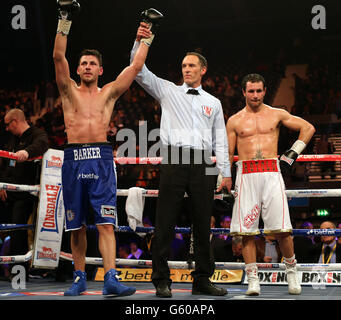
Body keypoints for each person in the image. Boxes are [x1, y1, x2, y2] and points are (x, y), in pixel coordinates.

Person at [53, 1, 153, 296]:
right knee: (76, 227)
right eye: (83, 63)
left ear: (100, 70)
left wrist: (146, 37)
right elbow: (59, 56)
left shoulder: (108, 93)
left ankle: (111, 278)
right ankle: (79, 277)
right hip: (73, 159)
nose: (86, 66)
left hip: (100, 160)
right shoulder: (68, 91)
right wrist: (64, 19)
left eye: (91, 63)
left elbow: (135, 67)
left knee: (106, 223)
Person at [130, 18, 232, 298]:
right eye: (184, 66)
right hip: (173, 160)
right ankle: (161, 280)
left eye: (191, 66)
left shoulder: (213, 102)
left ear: (203, 70)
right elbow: (139, 71)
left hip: (203, 164)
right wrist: (141, 40)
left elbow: (220, 140)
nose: (186, 69)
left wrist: (225, 174)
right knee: (165, 223)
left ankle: (202, 280)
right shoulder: (168, 90)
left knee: (203, 223)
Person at [226, 73, 315, 296]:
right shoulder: (234, 120)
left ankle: (292, 273)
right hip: (245, 174)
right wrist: (223, 178)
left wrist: (291, 154)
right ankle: (253, 280)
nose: (255, 95)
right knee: (246, 232)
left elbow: (309, 128)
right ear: (244, 92)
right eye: (251, 91)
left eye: (258, 91)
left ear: (264, 91)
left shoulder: (277, 114)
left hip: (271, 172)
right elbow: (228, 153)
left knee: (282, 230)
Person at [0, 108, 49, 276]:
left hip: (26, 193)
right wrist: (2, 185)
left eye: (8, 125)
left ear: (15, 121)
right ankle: (8, 269)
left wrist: (26, 152)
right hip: (8, 191)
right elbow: (6, 164)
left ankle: (18, 272)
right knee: (9, 230)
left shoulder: (37, 134)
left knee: (18, 229)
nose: (6, 129)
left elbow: (42, 145)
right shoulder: (12, 140)